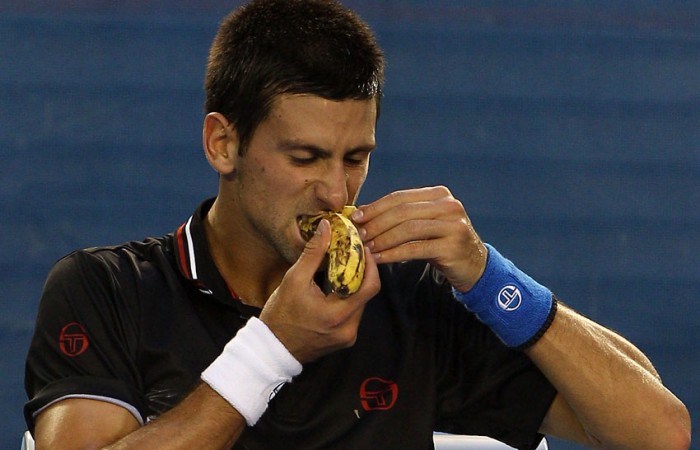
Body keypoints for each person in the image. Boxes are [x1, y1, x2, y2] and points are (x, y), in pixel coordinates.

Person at [24, 1, 690, 449]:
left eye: (357, 157)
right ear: (222, 144)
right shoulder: (106, 290)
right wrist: (273, 351)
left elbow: (660, 431)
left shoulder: (411, 301)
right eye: (306, 157)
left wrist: (489, 278)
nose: (337, 191)